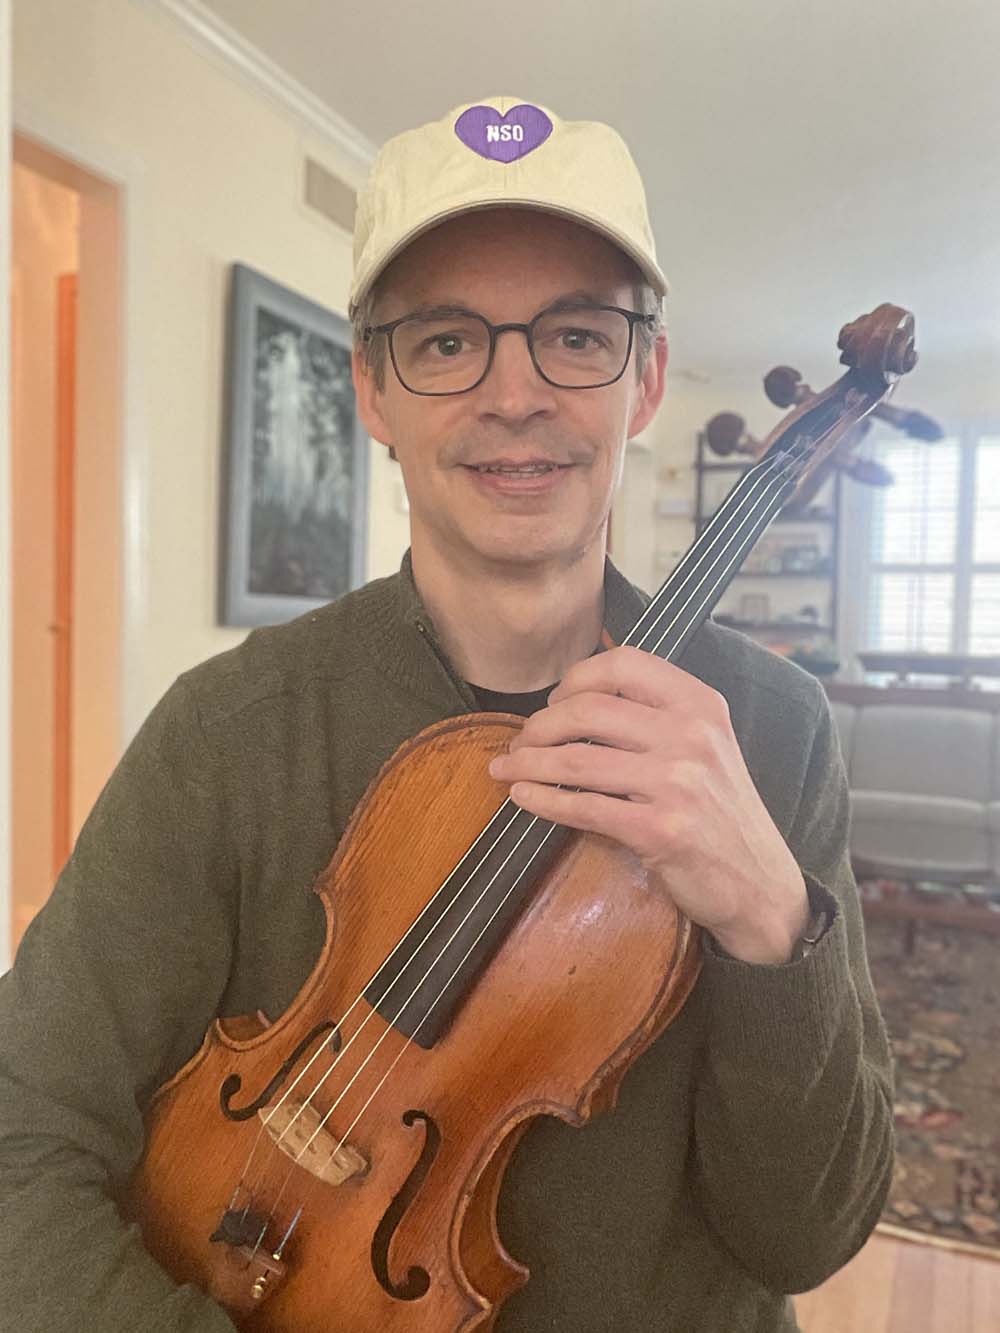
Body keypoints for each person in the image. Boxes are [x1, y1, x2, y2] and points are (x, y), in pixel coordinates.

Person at [0, 95, 893, 1332]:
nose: (513, 393)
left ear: (646, 380)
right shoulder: (232, 727)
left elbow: (805, 1232)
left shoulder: (774, 728)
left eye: (575, 336)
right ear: (372, 387)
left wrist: (764, 911)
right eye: (445, 340)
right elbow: (23, 1128)